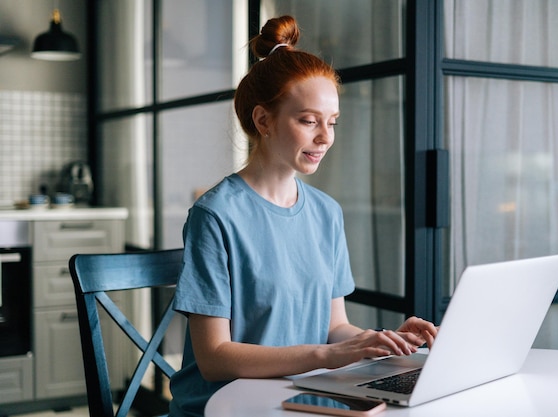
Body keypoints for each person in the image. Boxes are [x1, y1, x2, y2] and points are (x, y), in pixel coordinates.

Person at [168, 15, 438, 417]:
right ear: (263, 121)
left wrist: (376, 341)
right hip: (228, 408)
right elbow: (214, 357)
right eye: (308, 120)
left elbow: (334, 327)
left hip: (305, 403)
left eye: (331, 123)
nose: (325, 137)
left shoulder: (327, 213)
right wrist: (327, 355)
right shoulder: (216, 215)